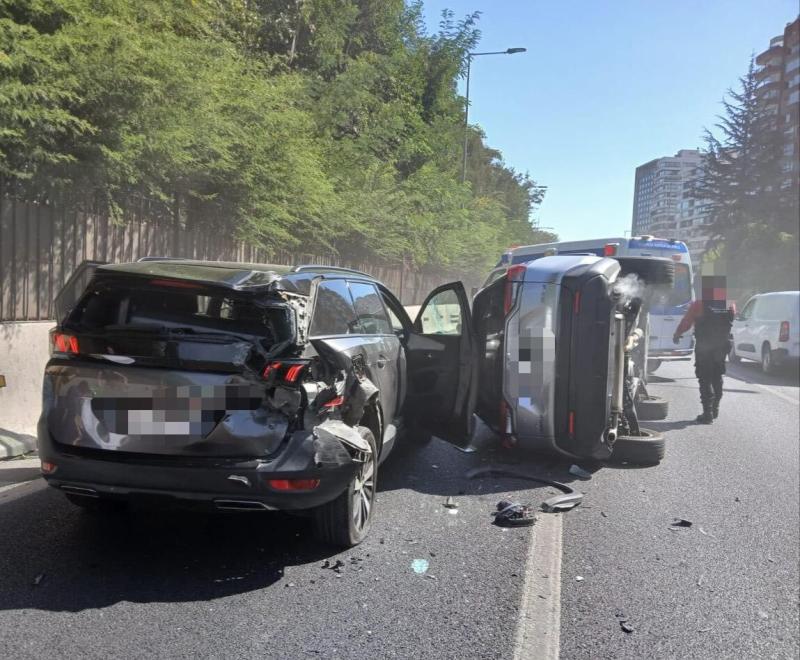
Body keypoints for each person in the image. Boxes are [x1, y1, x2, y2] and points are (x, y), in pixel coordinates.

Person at [673, 273, 736, 424]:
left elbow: (687, 321)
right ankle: (715, 409)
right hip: (721, 346)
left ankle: (707, 413)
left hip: (705, 346)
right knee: (717, 377)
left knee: (705, 378)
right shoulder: (730, 304)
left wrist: (678, 334)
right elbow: (731, 319)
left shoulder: (699, 304)